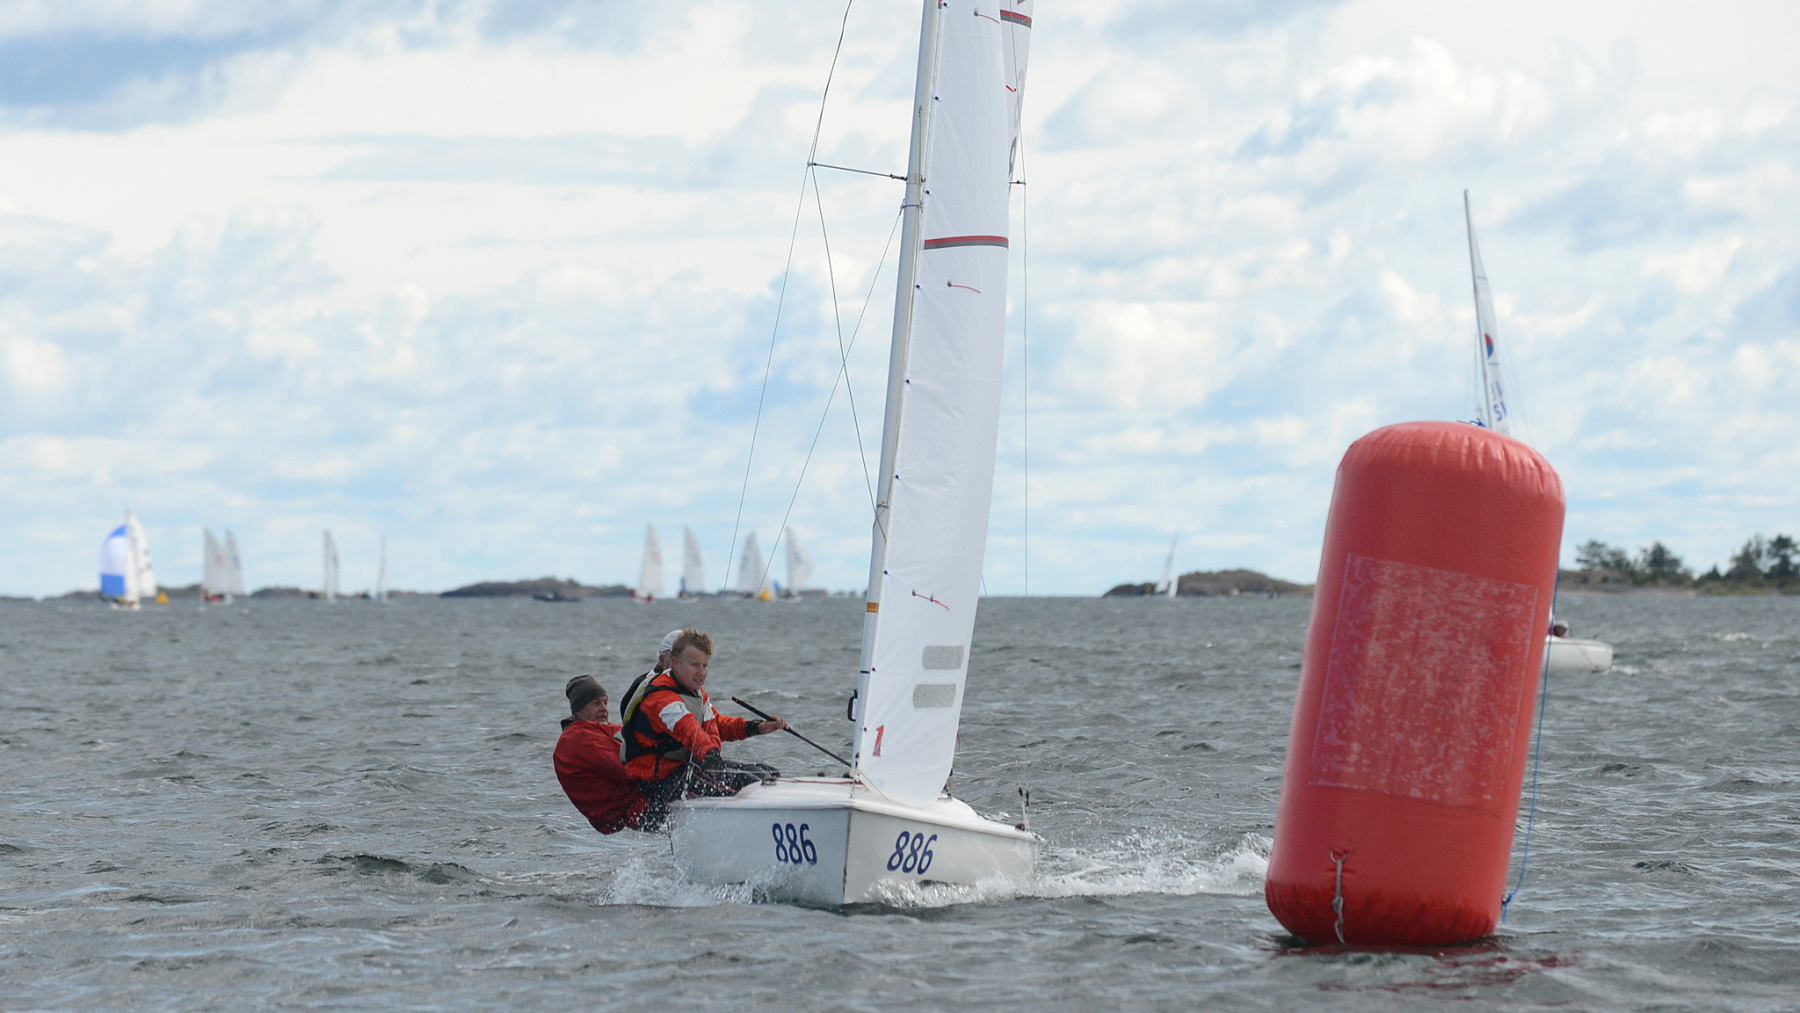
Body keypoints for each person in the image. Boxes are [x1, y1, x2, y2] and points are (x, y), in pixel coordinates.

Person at [620, 628, 790, 828]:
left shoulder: (695, 692)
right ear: (675, 663)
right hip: (662, 782)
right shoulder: (661, 698)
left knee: (767, 774)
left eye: (705, 665)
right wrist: (711, 754)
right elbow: (688, 729)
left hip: (687, 768)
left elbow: (715, 725)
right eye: (694, 665)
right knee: (749, 783)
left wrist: (757, 727)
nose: (701, 673)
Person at [553, 675, 649, 834]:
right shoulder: (577, 739)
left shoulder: (597, 730)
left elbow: (634, 738)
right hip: (638, 809)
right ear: (579, 709)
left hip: (636, 807)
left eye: (605, 702)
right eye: (596, 703)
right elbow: (627, 769)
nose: (603, 709)